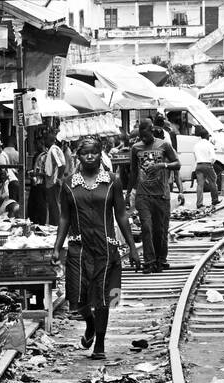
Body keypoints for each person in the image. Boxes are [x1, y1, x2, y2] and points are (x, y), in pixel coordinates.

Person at [52, 135, 141, 362]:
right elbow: (64, 218)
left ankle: (99, 344)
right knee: (77, 298)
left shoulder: (112, 181)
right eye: (84, 153)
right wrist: (56, 247)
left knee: (104, 298)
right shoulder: (69, 184)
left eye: (94, 152)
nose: (89, 156)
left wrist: (132, 247)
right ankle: (90, 323)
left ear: (100, 154)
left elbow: (121, 215)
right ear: (78, 156)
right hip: (78, 248)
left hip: (106, 248)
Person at [128, 118, 179, 274]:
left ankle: (160, 260)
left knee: (161, 230)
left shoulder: (164, 144)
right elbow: (134, 172)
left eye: (145, 136)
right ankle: (149, 261)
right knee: (146, 227)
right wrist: (129, 192)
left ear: (152, 130)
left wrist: (162, 165)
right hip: (143, 195)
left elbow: (177, 163)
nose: (143, 139)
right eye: (141, 137)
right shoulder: (136, 148)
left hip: (162, 195)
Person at [30, 127, 66, 226]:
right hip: (50, 182)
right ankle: (54, 226)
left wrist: (58, 178)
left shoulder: (53, 150)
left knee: (54, 206)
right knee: (52, 206)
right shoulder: (51, 150)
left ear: (47, 140)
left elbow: (61, 165)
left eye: (44, 140)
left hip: (52, 183)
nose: (43, 142)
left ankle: (58, 226)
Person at [193, 128, 220, 210]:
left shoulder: (196, 145)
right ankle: (215, 200)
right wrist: (210, 164)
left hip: (198, 165)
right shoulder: (209, 144)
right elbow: (213, 158)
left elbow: (195, 156)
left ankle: (199, 203)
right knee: (213, 182)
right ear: (207, 136)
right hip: (207, 165)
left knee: (200, 185)